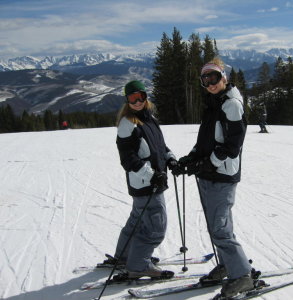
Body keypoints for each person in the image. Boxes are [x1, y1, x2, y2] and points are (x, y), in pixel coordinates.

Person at [174, 58, 255, 298]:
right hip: (209, 174)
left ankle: (242, 277)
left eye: (214, 77)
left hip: (222, 174)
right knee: (217, 225)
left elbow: (232, 146)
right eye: (205, 79)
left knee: (220, 228)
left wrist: (208, 162)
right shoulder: (214, 102)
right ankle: (229, 265)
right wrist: (190, 159)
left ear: (224, 77)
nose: (210, 83)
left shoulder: (231, 104)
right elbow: (207, 140)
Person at [103, 80, 178, 279]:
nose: (137, 102)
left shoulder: (148, 118)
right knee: (155, 227)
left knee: (137, 221)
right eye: (132, 98)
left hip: (149, 182)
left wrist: (170, 158)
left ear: (146, 97)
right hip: (147, 184)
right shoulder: (127, 124)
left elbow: (158, 145)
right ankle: (138, 265)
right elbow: (128, 160)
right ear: (127, 101)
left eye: (141, 97)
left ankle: (124, 256)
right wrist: (152, 175)